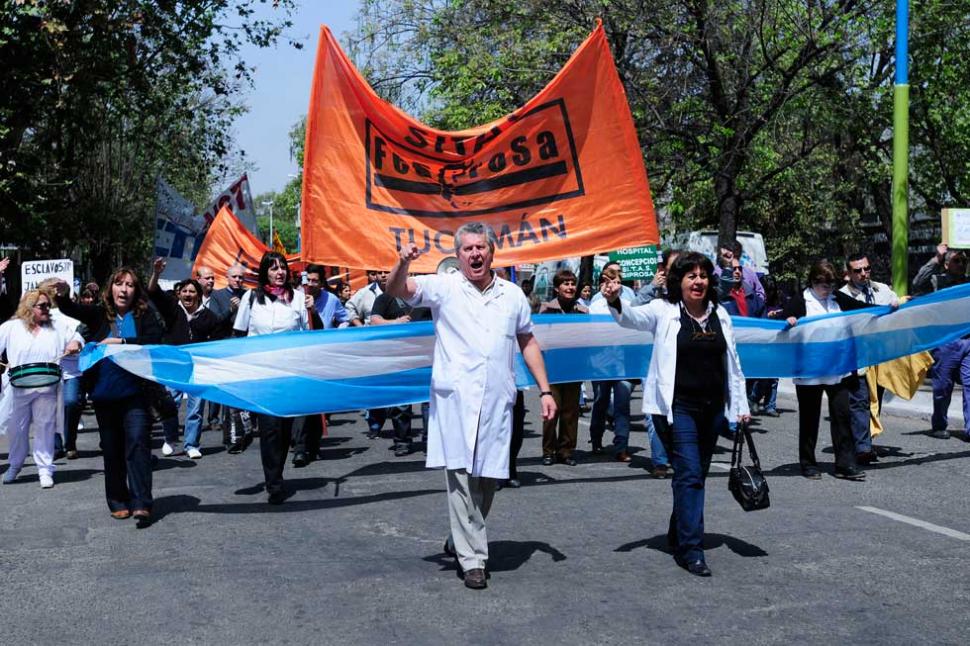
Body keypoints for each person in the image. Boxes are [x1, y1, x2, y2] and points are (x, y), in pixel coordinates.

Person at [386, 222, 556, 590]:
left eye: (481, 247)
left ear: (492, 252)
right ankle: (473, 558)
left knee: (490, 477)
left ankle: (458, 538)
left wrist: (545, 390)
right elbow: (397, 289)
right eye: (468, 249)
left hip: (497, 399)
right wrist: (402, 263)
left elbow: (527, 341)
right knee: (461, 480)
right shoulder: (443, 287)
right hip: (456, 400)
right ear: (458, 255)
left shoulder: (512, 295)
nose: (475, 254)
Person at [604, 251, 750, 577]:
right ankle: (691, 550)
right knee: (690, 475)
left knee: (693, 476)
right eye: (690, 276)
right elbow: (630, 318)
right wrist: (615, 301)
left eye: (702, 276)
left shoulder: (720, 314)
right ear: (678, 282)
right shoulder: (663, 310)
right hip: (677, 408)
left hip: (713, 410)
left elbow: (734, 363)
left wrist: (740, 407)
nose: (698, 281)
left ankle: (678, 531)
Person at [55, 268, 164, 525]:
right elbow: (74, 310)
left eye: (129, 285)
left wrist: (121, 342)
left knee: (138, 443)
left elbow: (155, 338)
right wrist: (63, 297)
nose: (124, 289)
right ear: (110, 288)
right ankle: (117, 499)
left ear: (135, 291)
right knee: (112, 449)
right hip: (105, 394)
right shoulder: (99, 314)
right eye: (119, 284)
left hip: (136, 393)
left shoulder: (145, 314)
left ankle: (141, 502)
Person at [782, 260, 874, 481]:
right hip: (810, 370)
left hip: (837, 369)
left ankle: (845, 464)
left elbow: (862, 310)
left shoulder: (837, 299)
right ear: (813, 282)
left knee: (842, 416)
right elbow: (781, 322)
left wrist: (888, 307)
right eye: (824, 285)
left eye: (831, 285)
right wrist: (789, 321)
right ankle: (808, 463)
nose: (828, 290)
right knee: (809, 418)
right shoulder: (801, 300)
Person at [233, 252, 310, 504]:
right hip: (261, 373)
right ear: (265, 271)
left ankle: (279, 470)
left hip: (289, 373)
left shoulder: (298, 298)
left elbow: (308, 334)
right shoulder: (251, 298)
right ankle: (273, 482)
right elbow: (239, 333)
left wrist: (312, 311)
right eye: (274, 268)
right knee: (270, 429)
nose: (280, 272)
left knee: (285, 428)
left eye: (283, 268)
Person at [0, 290, 83, 487]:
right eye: (42, 305)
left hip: (48, 386)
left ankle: (45, 469)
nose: (47, 309)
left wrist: (75, 343)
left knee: (45, 427)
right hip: (18, 387)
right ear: (29, 308)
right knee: (16, 429)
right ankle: (15, 465)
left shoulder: (57, 325)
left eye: (48, 305)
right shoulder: (11, 327)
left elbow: (77, 337)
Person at [148, 258, 222, 459]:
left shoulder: (209, 318)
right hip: (173, 366)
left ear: (198, 295)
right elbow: (152, 291)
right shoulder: (171, 309)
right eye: (184, 291)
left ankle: (192, 444)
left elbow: (216, 343)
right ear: (179, 294)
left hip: (197, 368)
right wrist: (156, 272)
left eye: (192, 291)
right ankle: (170, 439)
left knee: (196, 408)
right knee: (170, 403)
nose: (188, 295)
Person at [839, 253, 900, 462]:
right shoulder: (841, 296)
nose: (864, 273)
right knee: (860, 400)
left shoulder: (881, 290)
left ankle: (865, 442)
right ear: (848, 274)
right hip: (856, 357)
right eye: (858, 270)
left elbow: (897, 306)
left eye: (867, 268)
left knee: (875, 400)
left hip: (880, 356)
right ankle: (862, 448)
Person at [912, 243, 970, 440]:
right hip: (946, 343)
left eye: (964, 261)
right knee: (942, 387)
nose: (962, 264)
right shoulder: (937, 281)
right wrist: (936, 258)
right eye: (956, 260)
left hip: (968, 342)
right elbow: (918, 284)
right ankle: (939, 424)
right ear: (946, 264)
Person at [368, 285, 433, 457]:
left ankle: (431, 441)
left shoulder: (425, 295)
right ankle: (402, 441)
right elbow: (374, 321)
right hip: (400, 358)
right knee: (401, 404)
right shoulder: (385, 298)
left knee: (430, 402)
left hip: (427, 356)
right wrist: (395, 323)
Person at [538, 269, 588, 465]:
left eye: (572, 283)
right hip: (553, 368)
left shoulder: (583, 311)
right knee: (552, 411)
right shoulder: (546, 310)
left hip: (574, 367)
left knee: (570, 412)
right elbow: (540, 337)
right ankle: (548, 451)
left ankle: (566, 450)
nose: (570, 287)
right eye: (565, 284)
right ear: (557, 288)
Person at [588, 270, 637, 463]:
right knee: (601, 402)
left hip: (623, 363)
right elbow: (591, 332)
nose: (614, 285)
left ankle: (621, 446)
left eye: (617, 281)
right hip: (601, 363)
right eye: (610, 282)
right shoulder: (596, 306)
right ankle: (596, 439)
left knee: (622, 405)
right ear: (602, 285)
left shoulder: (627, 305)